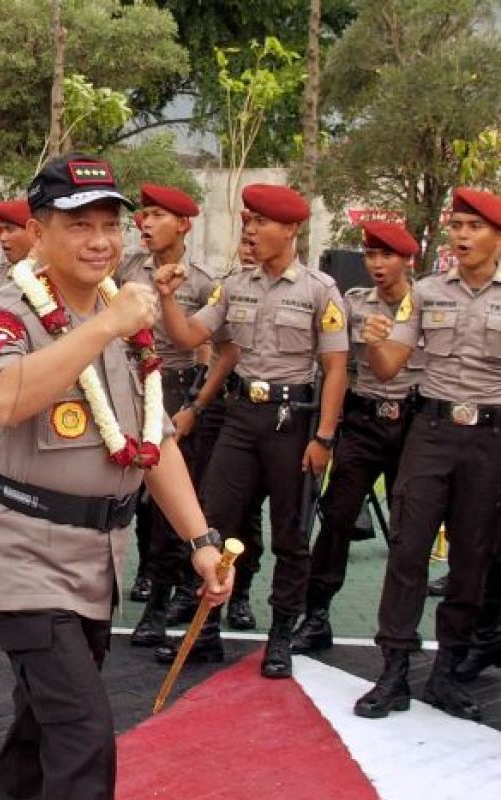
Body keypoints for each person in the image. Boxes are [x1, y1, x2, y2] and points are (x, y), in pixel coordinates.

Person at [0, 154, 232, 800]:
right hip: (25, 553)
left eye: (110, 225)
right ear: (39, 230)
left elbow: (154, 439)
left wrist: (199, 541)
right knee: (83, 734)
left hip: (98, 559)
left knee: (41, 725)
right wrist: (105, 327)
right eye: (80, 226)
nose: (100, 242)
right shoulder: (10, 312)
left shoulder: (125, 317)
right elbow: (4, 398)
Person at [156, 183, 349, 680]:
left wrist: (324, 437)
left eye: (261, 222)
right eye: (249, 222)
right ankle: (207, 629)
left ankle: (281, 636)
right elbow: (189, 335)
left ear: (291, 230)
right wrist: (168, 298)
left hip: (293, 421)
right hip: (240, 417)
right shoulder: (234, 285)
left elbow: (335, 368)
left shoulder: (319, 291)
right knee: (214, 523)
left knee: (291, 533)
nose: (252, 230)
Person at [354, 187, 501, 721]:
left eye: (473, 227)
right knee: (408, 550)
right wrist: (374, 340)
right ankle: (392, 672)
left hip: (489, 440)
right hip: (432, 433)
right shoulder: (429, 292)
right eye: (457, 225)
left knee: (471, 559)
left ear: (496, 236)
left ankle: (446, 675)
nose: (461, 235)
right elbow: (391, 366)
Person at [292, 222, 424, 654]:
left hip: (414, 421)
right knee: (337, 516)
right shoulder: (352, 303)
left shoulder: (425, 303)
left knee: (411, 529)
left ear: (408, 260)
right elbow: (336, 360)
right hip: (364, 419)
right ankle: (316, 616)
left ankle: (403, 625)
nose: (377, 265)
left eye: (387, 256)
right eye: (371, 255)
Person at [116, 183, 228, 658]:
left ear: (184, 224)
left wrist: (194, 405)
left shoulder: (204, 281)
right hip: (127, 382)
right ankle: (149, 579)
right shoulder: (124, 271)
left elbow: (211, 347)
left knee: (171, 503)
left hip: (176, 387)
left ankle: (162, 600)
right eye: (143, 214)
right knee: (134, 497)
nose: (144, 222)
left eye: (157, 215)